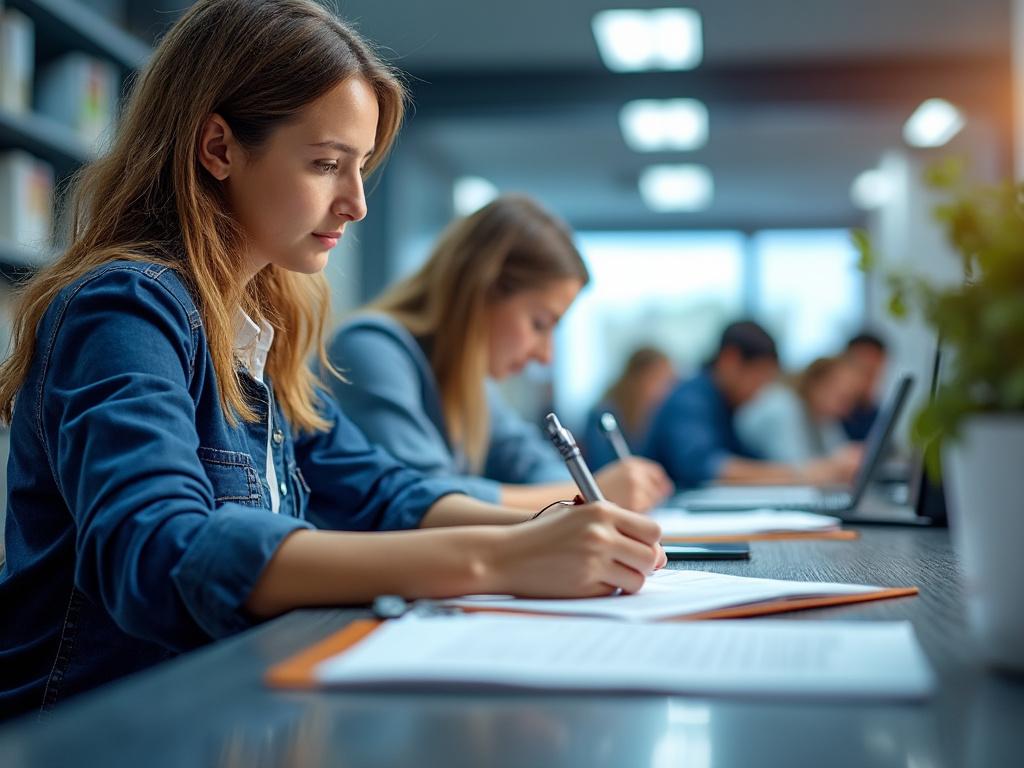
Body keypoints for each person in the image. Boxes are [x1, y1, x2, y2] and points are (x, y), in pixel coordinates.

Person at [0, 0, 663, 720]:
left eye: (361, 169)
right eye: (326, 165)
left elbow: (383, 494)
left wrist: (547, 532)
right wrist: (501, 560)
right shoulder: (125, 308)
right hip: (92, 732)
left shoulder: (258, 335)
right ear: (218, 148)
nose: (356, 204)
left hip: (224, 709)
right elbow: (160, 552)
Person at [326, 195, 672, 514]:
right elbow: (422, 499)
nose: (546, 356)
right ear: (481, 291)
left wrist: (586, 491)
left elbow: (531, 463)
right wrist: (593, 493)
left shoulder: (469, 381)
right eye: (539, 323)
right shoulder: (368, 348)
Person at [645, 321, 858, 490]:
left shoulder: (724, 405)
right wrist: (805, 474)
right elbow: (704, 468)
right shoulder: (690, 400)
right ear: (731, 359)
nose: (759, 393)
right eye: (758, 379)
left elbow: (749, 460)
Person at [736, 356, 864, 466]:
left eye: (852, 399)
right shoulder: (783, 408)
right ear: (816, 384)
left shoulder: (823, 418)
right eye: (842, 397)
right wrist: (838, 464)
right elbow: (793, 471)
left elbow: (837, 453)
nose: (847, 408)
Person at [582, 347, 676, 470]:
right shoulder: (603, 415)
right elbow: (603, 467)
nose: (665, 390)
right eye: (659, 380)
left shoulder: (655, 415)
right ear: (637, 378)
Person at [841, 332, 888, 440]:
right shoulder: (830, 412)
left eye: (875, 372)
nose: (868, 380)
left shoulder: (872, 414)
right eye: (863, 370)